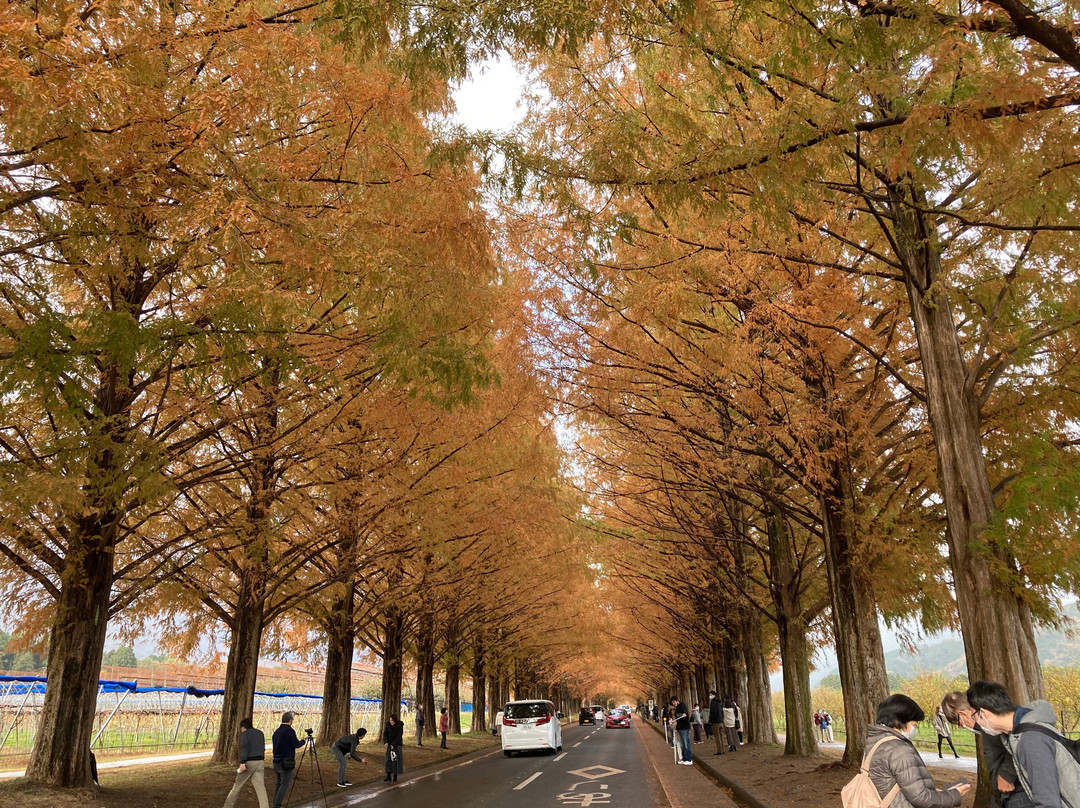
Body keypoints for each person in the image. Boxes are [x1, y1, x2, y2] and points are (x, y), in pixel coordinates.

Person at [967, 680, 1080, 808]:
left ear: (984, 713)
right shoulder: (1019, 734)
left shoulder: (1030, 740)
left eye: (974, 716)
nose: (975, 722)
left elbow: (1048, 802)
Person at [864, 694, 968, 808]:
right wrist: (954, 795)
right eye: (914, 725)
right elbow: (921, 798)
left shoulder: (876, 742)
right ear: (899, 722)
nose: (915, 729)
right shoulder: (898, 750)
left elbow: (903, 785)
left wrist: (935, 792)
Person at [942, 690, 1032, 808]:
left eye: (959, 723)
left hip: (1020, 791)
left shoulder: (991, 723)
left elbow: (1016, 744)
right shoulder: (984, 726)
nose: (963, 726)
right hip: (1006, 792)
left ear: (963, 714)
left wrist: (1006, 776)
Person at [223, 717, 269, 808]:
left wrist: (242, 762)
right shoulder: (260, 733)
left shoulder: (245, 734)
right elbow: (263, 748)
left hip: (249, 763)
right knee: (261, 789)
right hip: (260, 762)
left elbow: (245, 748)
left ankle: (227, 806)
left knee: (237, 786)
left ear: (243, 727)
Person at [271, 711, 306, 808]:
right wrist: (303, 741)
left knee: (278, 783)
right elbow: (296, 744)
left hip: (276, 761)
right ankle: (277, 804)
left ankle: (275, 802)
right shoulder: (290, 731)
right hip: (286, 762)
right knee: (284, 784)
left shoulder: (276, 732)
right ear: (290, 720)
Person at [671, 697, 693, 764]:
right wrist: (676, 727)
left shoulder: (682, 706)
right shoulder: (677, 708)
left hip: (684, 728)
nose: (673, 703)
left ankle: (689, 759)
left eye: (674, 702)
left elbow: (685, 713)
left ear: (677, 701)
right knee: (682, 744)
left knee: (686, 744)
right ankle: (684, 758)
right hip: (680, 728)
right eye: (672, 702)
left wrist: (684, 714)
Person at [383, 714, 404, 783]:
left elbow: (399, 736)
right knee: (388, 760)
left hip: (397, 745)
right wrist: (386, 742)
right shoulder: (387, 725)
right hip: (389, 744)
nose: (391, 722)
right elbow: (385, 734)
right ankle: (388, 775)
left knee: (395, 760)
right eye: (390, 720)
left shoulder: (399, 726)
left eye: (392, 720)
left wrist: (393, 744)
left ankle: (395, 775)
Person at [708, 690, 726, 756]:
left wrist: (711, 720)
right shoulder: (720, 702)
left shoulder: (713, 702)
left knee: (717, 736)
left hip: (716, 721)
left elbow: (713, 712)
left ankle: (719, 750)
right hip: (721, 720)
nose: (709, 696)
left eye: (710, 695)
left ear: (713, 695)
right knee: (721, 736)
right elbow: (722, 711)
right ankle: (723, 749)